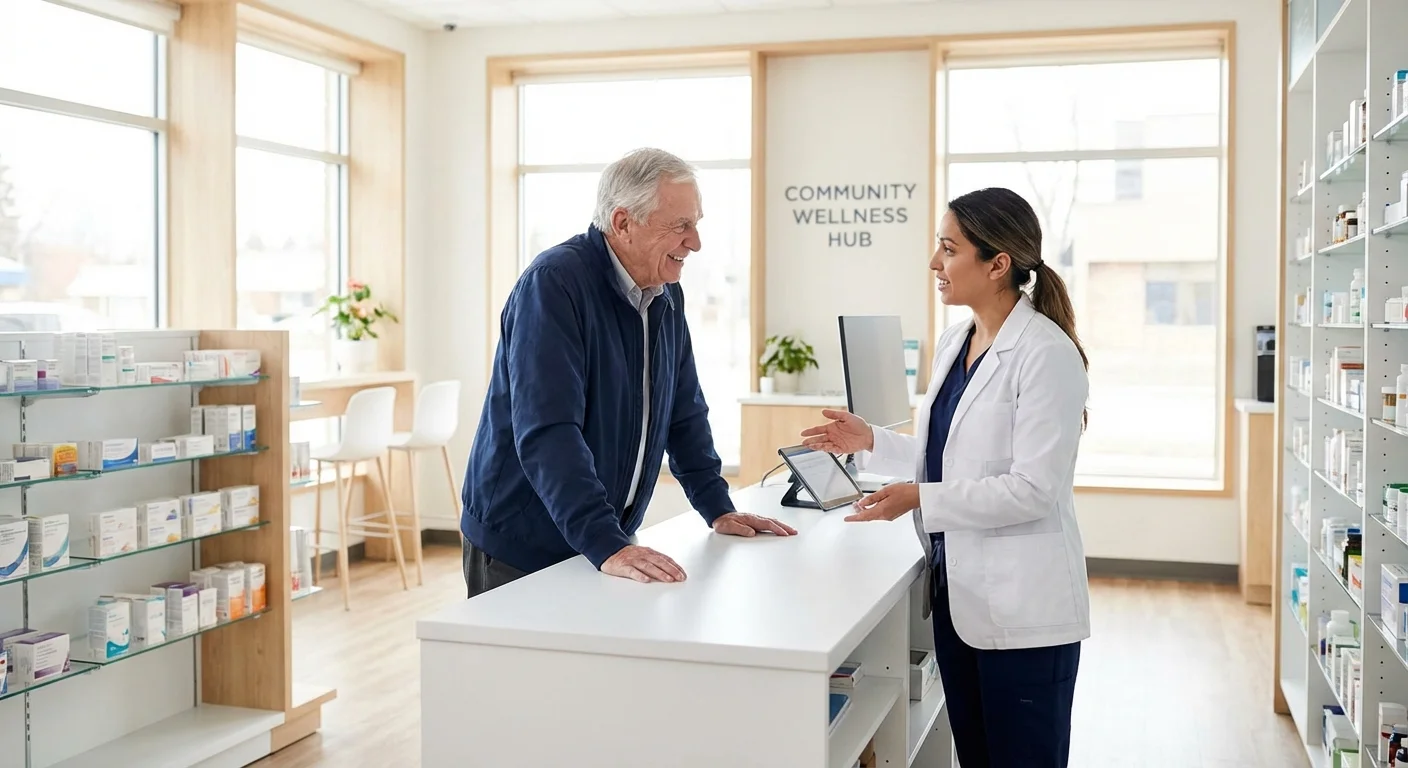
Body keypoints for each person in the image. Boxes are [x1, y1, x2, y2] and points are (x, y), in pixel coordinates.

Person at [801, 187, 1090, 767]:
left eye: (949, 248)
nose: (935, 262)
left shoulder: (1046, 353)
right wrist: (871, 440)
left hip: (1024, 616)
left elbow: (1032, 490)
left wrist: (917, 499)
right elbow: (952, 459)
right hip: (958, 601)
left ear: (998, 264)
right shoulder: (958, 341)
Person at [459, 147, 796, 598]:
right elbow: (549, 431)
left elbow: (683, 412)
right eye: (680, 225)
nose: (695, 242)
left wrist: (717, 507)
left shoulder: (664, 293)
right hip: (523, 544)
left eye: (696, 224)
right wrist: (605, 541)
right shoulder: (554, 284)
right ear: (623, 223)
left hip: (601, 539)